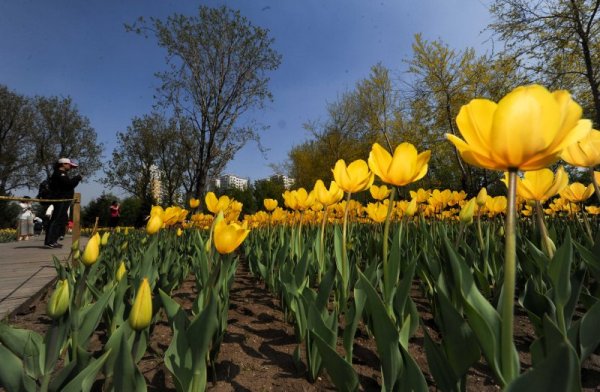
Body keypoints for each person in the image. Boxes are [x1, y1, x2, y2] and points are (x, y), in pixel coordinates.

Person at [44, 158, 81, 248]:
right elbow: (68, 184)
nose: (70, 167)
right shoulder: (59, 174)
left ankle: (54, 240)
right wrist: (77, 178)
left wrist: (76, 180)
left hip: (64, 200)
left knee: (60, 220)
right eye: (69, 165)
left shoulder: (62, 174)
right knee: (56, 219)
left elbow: (69, 186)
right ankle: (50, 241)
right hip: (60, 199)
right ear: (63, 164)